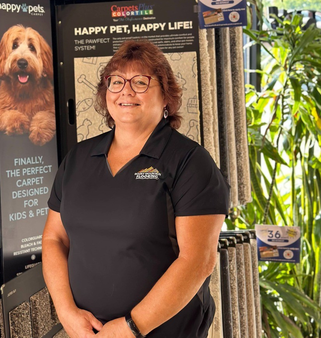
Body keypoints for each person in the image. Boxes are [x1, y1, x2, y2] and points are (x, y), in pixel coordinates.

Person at [42, 40, 230, 338]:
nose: (125, 91)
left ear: (166, 96)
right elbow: (54, 239)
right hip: (86, 332)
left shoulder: (190, 163)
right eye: (116, 82)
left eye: (140, 82)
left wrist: (130, 327)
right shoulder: (77, 159)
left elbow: (198, 261)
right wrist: (67, 313)